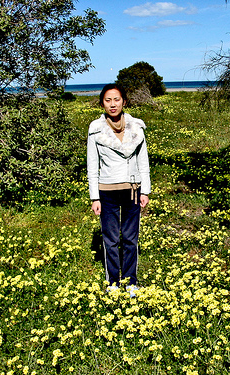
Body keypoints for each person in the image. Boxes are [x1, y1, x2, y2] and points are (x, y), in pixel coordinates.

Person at [87, 84, 150, 296]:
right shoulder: (95, 129)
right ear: (102, 103)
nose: (112, 104)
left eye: (116, 99)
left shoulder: (137, 128)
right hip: (107, 192)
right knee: (111, 240)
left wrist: (145, 191)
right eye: (108, 100)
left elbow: (144, 162)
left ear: (124, 101)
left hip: (133, 189)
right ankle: (113, 283)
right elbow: (92, 165)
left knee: (131, 239)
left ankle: (131, 282)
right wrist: (94, 197)